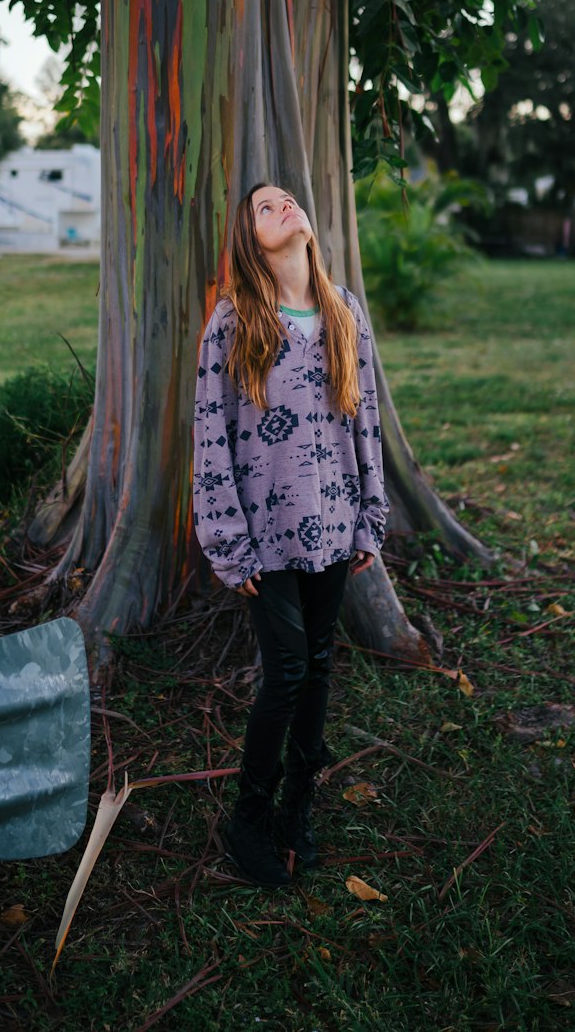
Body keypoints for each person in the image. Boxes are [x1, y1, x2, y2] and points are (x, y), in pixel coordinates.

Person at [192, 181, 388, 886]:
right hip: (265, 534)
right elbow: (210, 434)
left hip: (334, 524)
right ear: (251, 241)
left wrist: (371, 513)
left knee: (322, 668)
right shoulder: (235, 320)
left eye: (287, 200)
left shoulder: (344, 315)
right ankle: (248, 817)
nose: (284, 207)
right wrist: (225, 537)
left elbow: (362, 420)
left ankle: (299, 809)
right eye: (264, 208)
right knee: (288, 674)